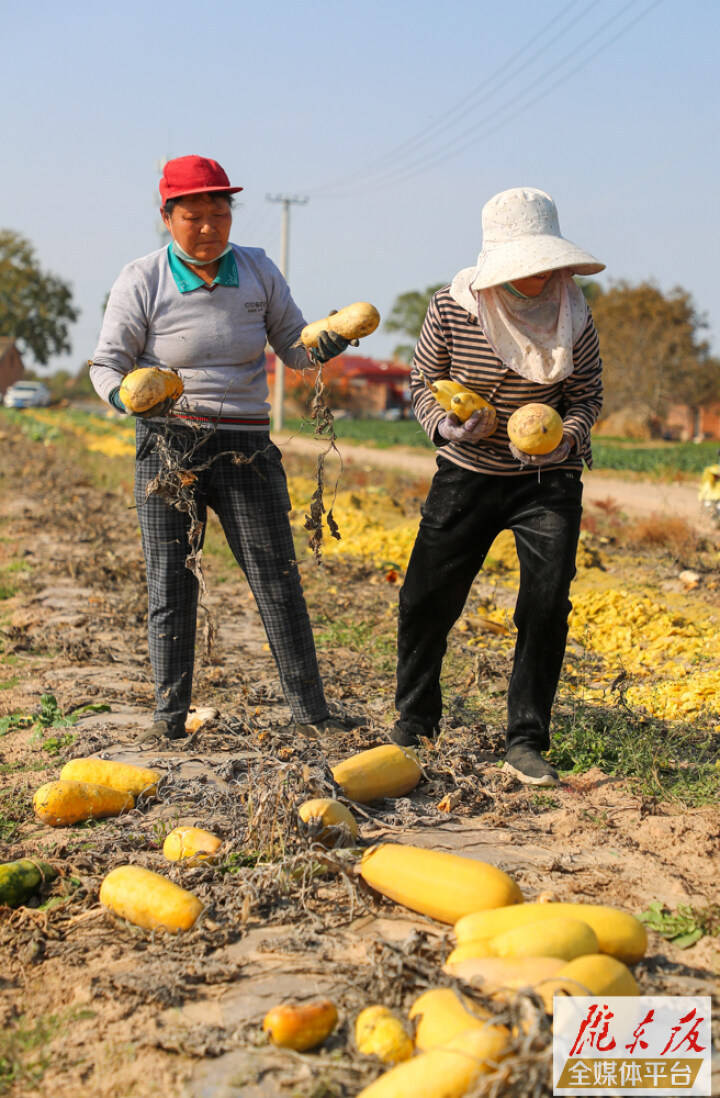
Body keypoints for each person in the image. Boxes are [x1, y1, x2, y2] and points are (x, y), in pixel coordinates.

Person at [90, 154, 354, 745]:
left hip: (246, 445)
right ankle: (168, 719)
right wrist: (126, 401)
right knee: (171, 581)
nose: (209, 226)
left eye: (219, 212)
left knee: (276, 576)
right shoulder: (142, 278)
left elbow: (294, 347)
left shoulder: (257, 269)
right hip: (169, 446)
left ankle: (311, 713)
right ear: (167, 217)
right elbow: (108, 364)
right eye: (194, 216)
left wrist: (328, 340)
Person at [390, 186, 605, 786]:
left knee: (544, 606)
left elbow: (587, 397)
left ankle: (526, 739)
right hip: (468, 473)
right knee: (426, 598)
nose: (542, 274)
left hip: (548, 480)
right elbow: (422, 380)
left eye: (548, 262)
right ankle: (415, 721)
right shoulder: (454, 307)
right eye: (529, 263)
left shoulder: (575, 314)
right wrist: (448, 427)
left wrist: (565, 441)